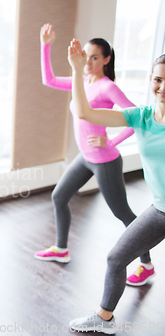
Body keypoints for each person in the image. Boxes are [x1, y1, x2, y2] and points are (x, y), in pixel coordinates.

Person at [34, 24, 152, 284]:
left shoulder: (107, 87)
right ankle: (61, 249)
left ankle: (146, 264)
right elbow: (49, 80)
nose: (87, 62)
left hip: (105, 161)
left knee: (122, 213)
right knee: (59, 196)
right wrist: (46, 45)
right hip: (86, 158)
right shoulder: (83, 81)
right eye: (85, 56)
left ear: (106, 59)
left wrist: (110, 141)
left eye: (94, 57)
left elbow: (137, 118)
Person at [67, 39, 165, 333]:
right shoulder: (142, 116)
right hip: (160, 209)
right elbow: (84, 113)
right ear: (150, 80)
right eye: (158, 79)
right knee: (116, 257)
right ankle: (105, 317)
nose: (162, 87)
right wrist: (75, 69)